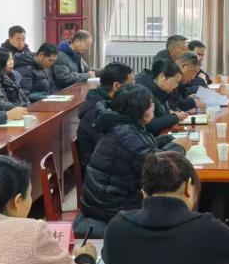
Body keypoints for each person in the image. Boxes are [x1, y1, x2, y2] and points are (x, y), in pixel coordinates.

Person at [75, 85, 186, 238]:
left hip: (107, 199)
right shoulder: (126, 134)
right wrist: (179, 147)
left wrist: (167, 140)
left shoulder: (122, 126)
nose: (154, 107)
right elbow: (159, 168)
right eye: (150, 104)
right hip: (112, 207)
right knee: (173, 199)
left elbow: (143, 149)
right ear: (140, 110)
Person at [76, 63, 133, 170]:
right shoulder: (95, 112)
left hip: (108, 162)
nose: (133, 88)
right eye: (131, 84)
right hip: (98, 171)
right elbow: (109, 146)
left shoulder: (108, 102)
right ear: (116, 86)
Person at [135, 59, 190, 137]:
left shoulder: (161, 91)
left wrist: (170, 113)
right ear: (162, 77)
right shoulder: (143, 92)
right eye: (176, 81)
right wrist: (175, 117)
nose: (176, 86)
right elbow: (149, 125)